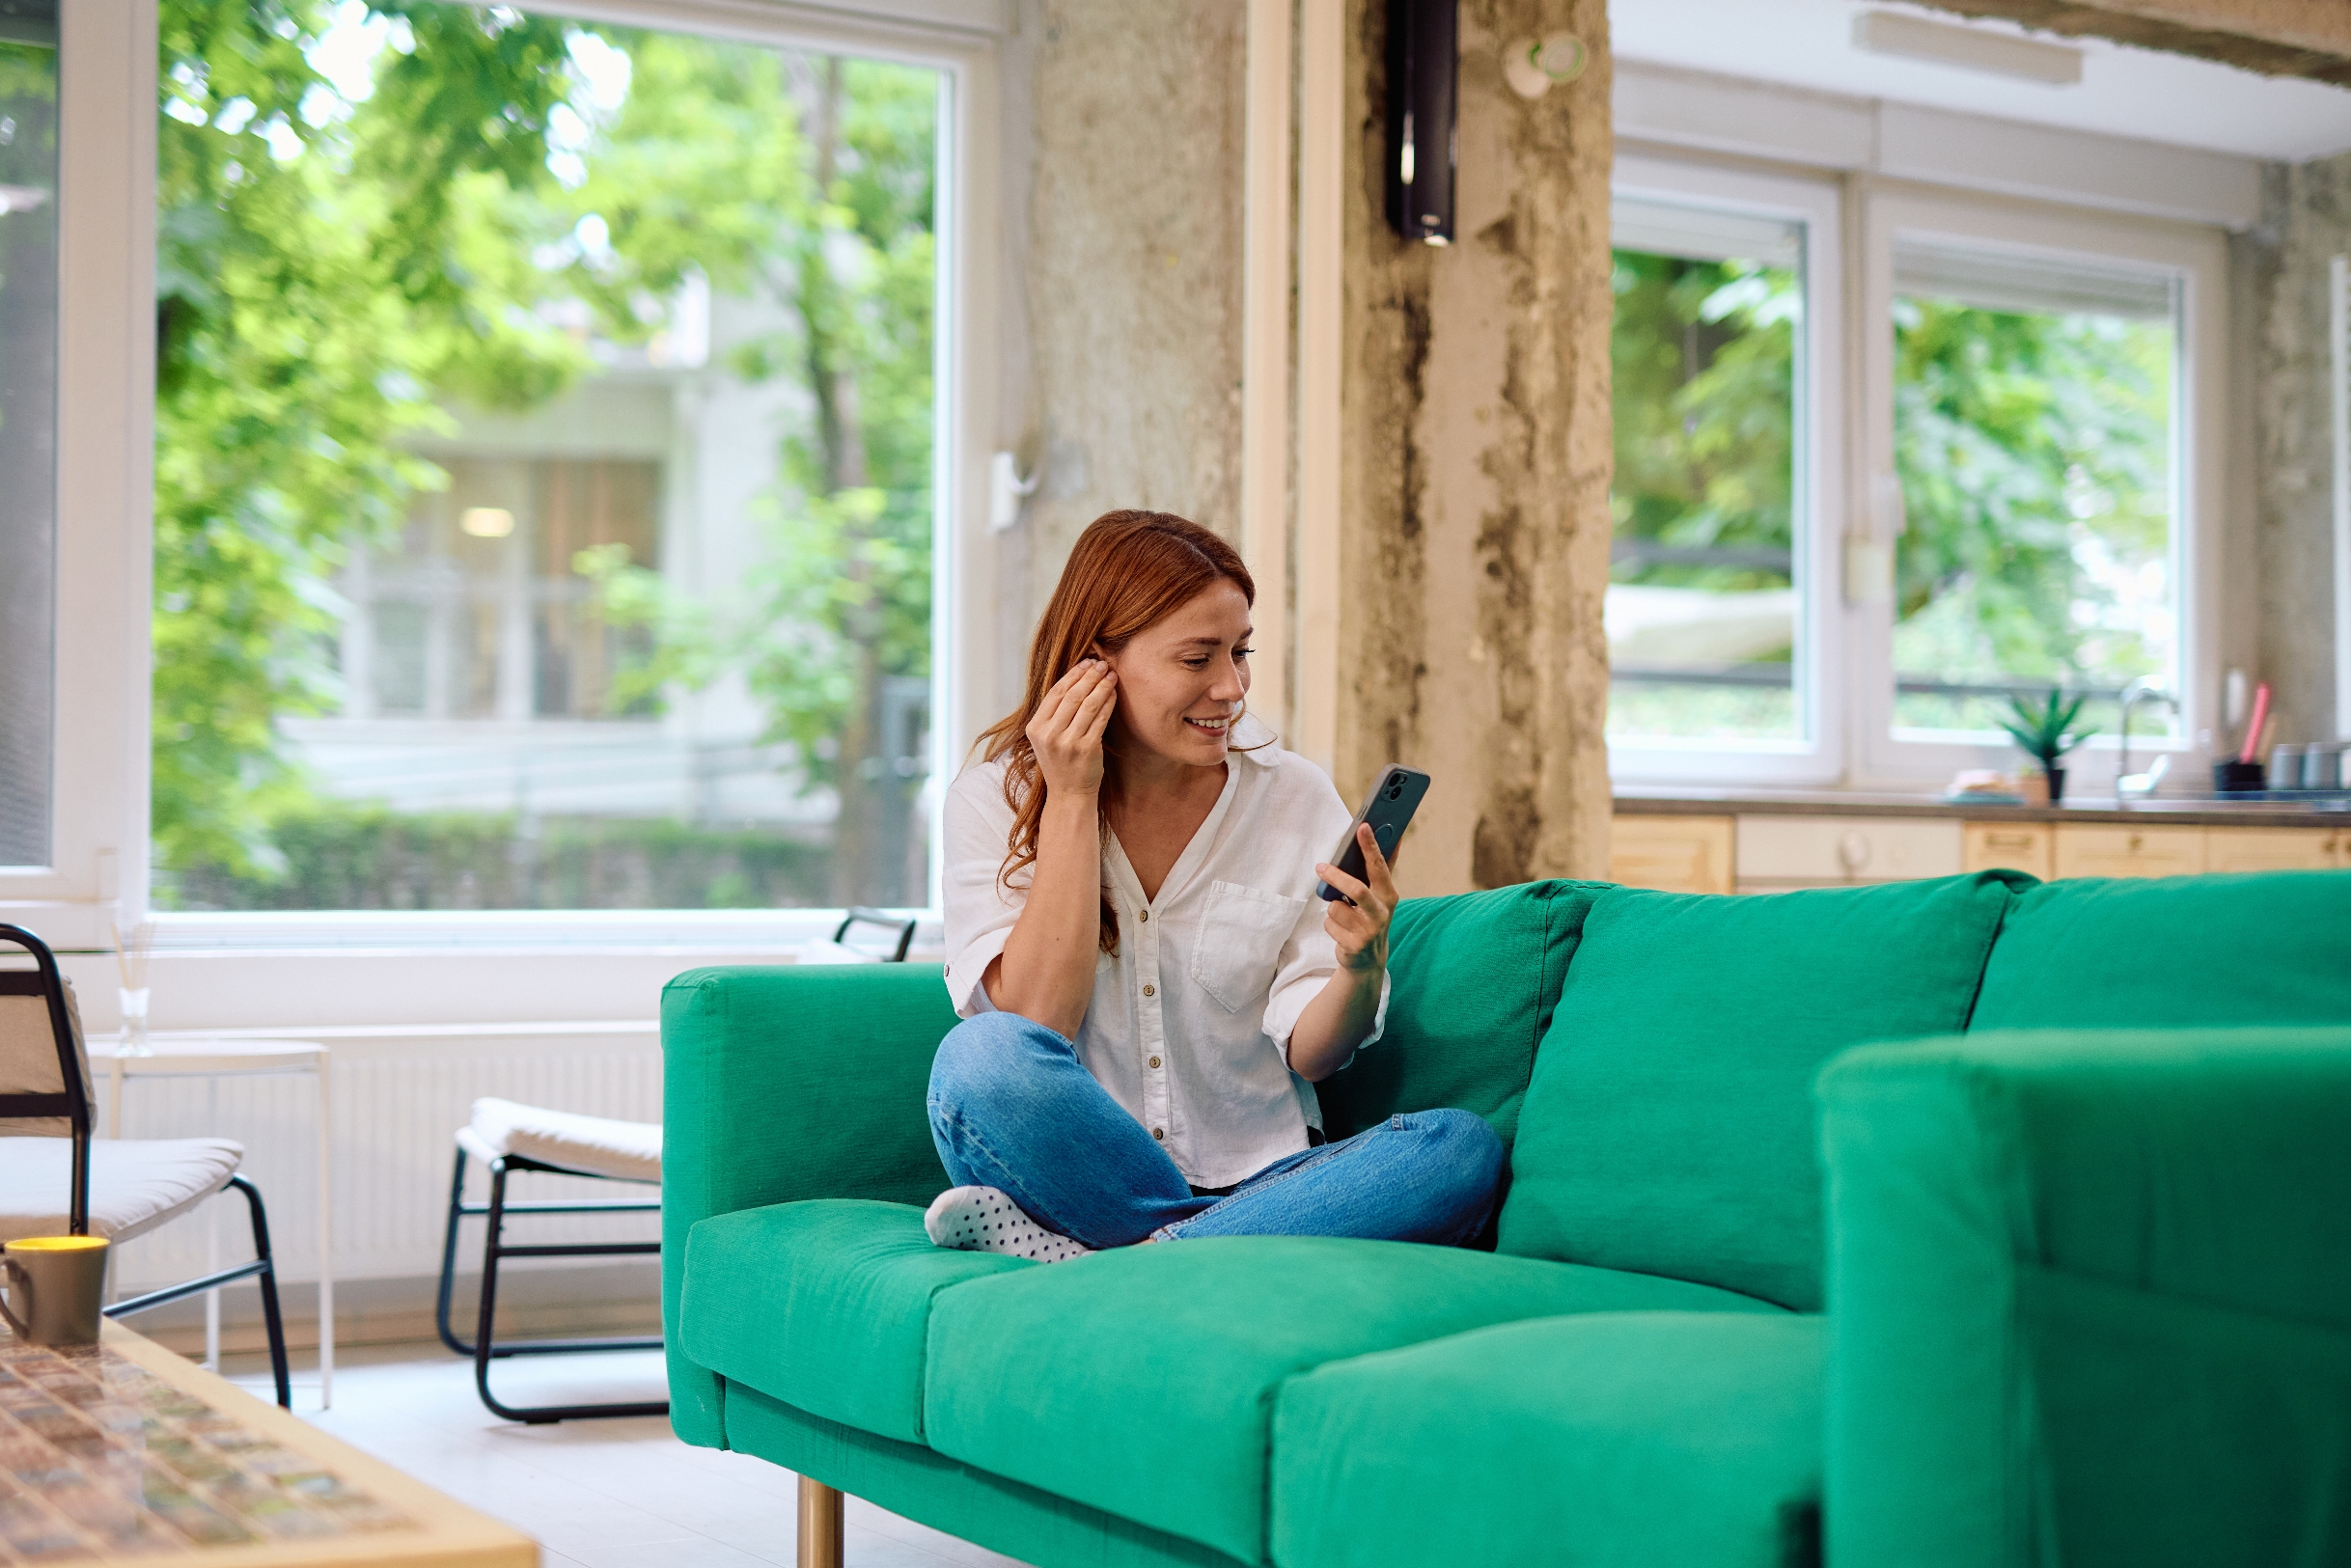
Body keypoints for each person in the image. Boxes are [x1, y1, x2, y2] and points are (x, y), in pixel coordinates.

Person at [927, 509, 1504, 1262]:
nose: (1231, 687)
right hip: (1088, 1176)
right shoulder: (993, 799)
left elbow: (1313, 1054)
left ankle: (1134, 1256)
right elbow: (1038, 1020)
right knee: (982, 1058)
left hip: (1270, 1181)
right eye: (1198, 658)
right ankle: (1198, 1252)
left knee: (1459, 1148)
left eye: (1240, 652)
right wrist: (1070, 798)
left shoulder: (1291, 795)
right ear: (1095, 663)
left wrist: (1361, 968)